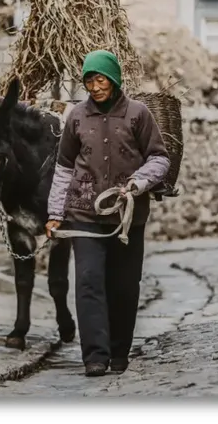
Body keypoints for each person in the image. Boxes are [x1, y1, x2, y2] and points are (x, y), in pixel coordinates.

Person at [45, 50, 170, 377]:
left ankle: (118, 352)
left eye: (101, 79)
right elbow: (63, 168)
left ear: (114, 79)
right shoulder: (75, 117)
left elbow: (159, 158)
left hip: (128, 218)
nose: (95, 86)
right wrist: (55, 213)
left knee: (124, 286)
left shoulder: (138, 114)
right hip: (84, 216)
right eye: (89, 80)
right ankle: (95, 357)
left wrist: (138, 183)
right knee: (87, 283)